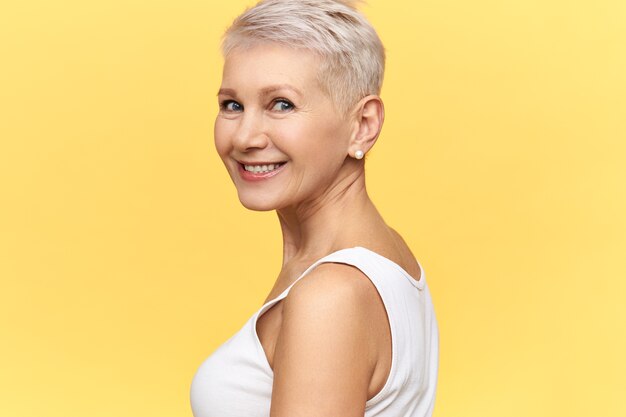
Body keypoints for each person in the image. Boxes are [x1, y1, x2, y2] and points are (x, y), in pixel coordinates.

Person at [190, 0, 439, 416]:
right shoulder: (379, 254)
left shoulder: (331, 295)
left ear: (363, 125)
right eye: (232, 105)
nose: (246, 136)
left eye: (281, 104)